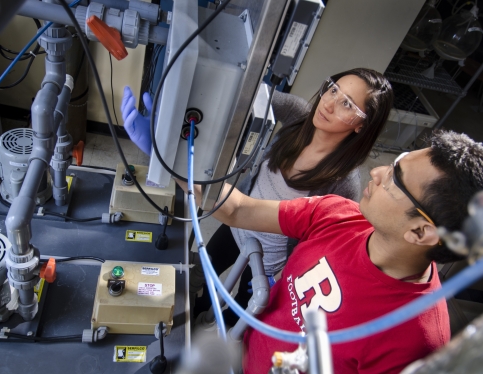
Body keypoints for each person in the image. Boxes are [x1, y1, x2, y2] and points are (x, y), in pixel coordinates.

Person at [176, 130, 483, 374]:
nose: (376, 172)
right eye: (395, 163)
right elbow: (240, 210)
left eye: (395, 179)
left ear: (420, 231)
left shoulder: (416, 340)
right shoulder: (337, 215)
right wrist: (171, 158)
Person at [121, 68, 394, 325]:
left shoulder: (343, 181)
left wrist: (287, 275)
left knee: (239, 311)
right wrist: (178, 107)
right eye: (333, 89)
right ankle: (189, 322)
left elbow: (323, 246)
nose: (330, 104)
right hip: (236, 226)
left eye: (348, 104)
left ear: (362, 125)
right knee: (201, 279)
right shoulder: (299, 116)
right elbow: (245, 95)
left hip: (267, 261)